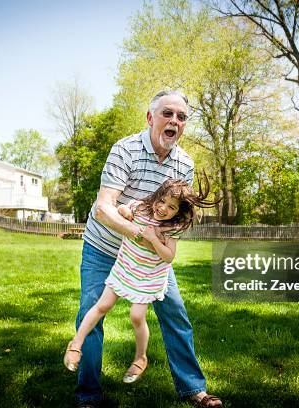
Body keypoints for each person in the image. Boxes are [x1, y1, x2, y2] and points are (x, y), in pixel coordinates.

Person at [71, 90, 223, 408]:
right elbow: (103, 208)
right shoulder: (125, 150)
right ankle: (89, 395)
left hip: (151, 259)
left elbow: (178, 221)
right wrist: (139, 232)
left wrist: (157, 244)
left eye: (181, 117)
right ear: (150, 118)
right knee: (92, 310)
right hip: (105, 246)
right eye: (168, 113)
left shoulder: (184, 164)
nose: (175, 121)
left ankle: (194, 389)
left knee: (175, 314)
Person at [64, 178, 217, 385]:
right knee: (102, 305)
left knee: (137, 316)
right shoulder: (139, 207)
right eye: (161, 201)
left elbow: (169, 256)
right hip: (126, 266)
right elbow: (121, 210)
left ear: (177, 212)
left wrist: (153, 238)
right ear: (156, 197)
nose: (163, 208)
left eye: (171, 207)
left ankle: (140, 358)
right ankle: (76, 343)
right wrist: (123, 213)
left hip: (148, 275)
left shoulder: (170, 228)